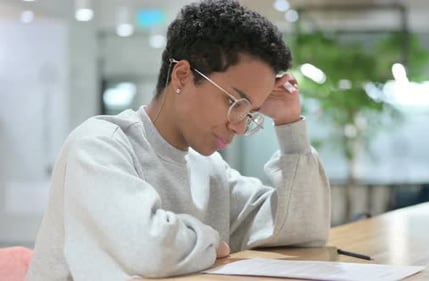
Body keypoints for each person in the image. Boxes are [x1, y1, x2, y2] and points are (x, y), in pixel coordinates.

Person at [27, 0, 331, 280]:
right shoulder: (99, 146)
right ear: (183, 76)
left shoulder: (209, 167)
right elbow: (149, 249)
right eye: (234, 103)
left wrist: (289, 125)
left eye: (250, 113)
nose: (239, 127)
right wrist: (215, 240)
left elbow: (304, 230)